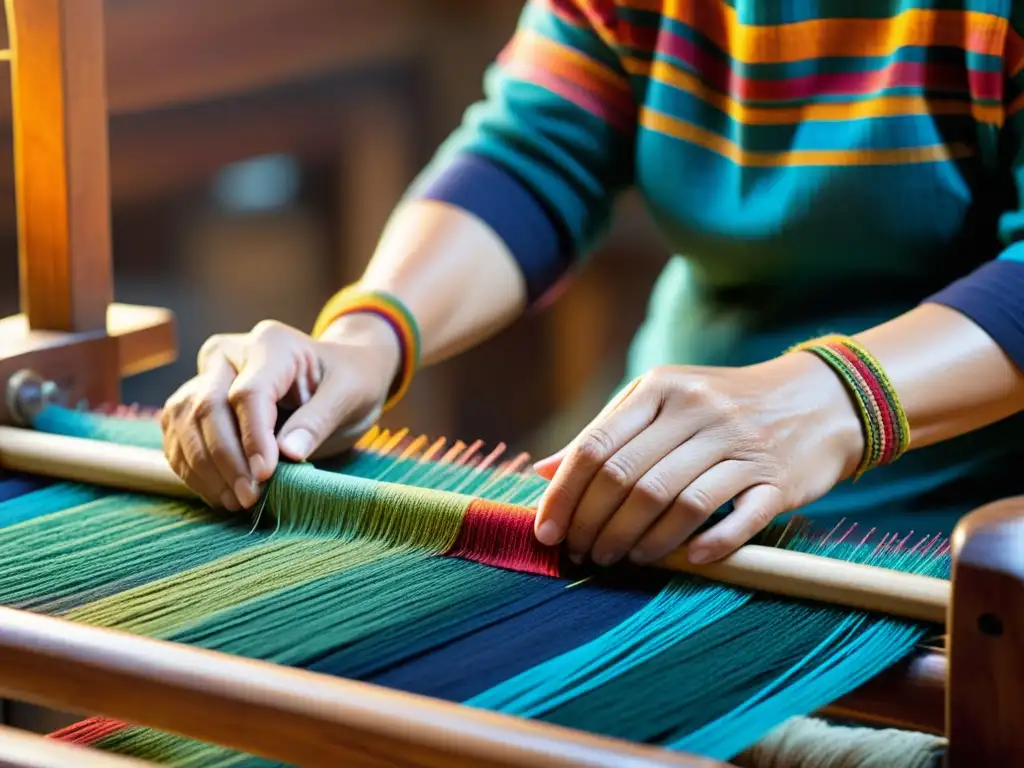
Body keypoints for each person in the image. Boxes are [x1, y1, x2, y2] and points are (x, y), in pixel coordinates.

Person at [161, 0, 1024, 569]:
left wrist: (831, 403)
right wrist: (365, 338)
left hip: (956, 538)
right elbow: (535, 150)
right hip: (669, 485)